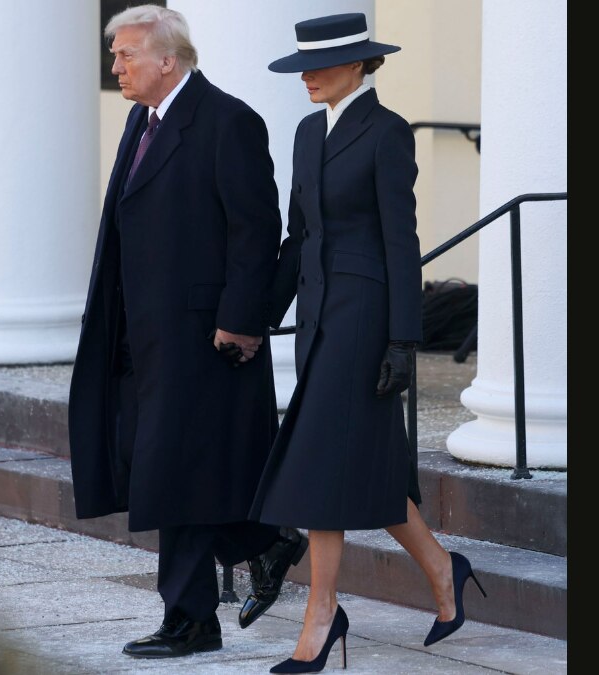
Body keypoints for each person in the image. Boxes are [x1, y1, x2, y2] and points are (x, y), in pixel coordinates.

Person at [67, 5, 308, 660]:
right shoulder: (140, 122)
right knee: (173, 469)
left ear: (167, 60)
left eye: (125, 54)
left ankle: (190, 618)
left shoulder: (229, 121)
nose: (115, 65)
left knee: (174, 473)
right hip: (140, 333)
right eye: (114, 55)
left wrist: (241, 319)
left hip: (206, 338)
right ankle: (264, 542)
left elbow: (254, 231)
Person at [248, 13, 487, 673]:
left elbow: (400, 242)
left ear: (359, 63)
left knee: (321, 463)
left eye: (320, 66)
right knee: (366, 471)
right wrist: (259, 315)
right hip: (319, 315)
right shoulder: (303, 132)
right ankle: (444, 570)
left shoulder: (387, 133)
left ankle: (322, 615)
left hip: (364, 318)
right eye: (302, 68)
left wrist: (403, 340)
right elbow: (298, 236)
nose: (308, 78)